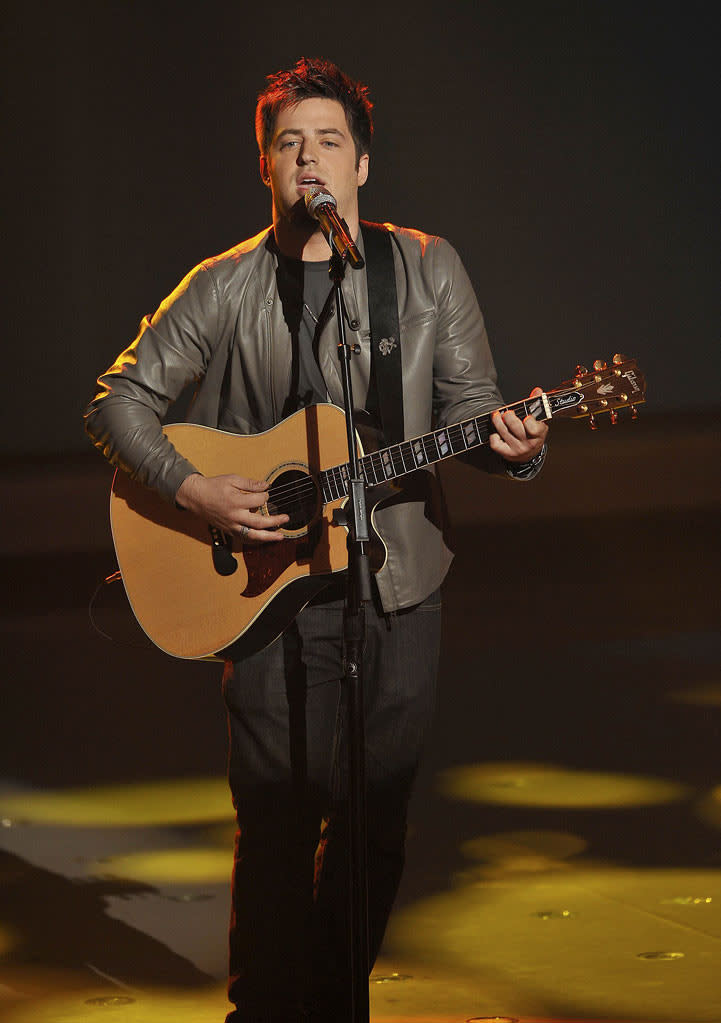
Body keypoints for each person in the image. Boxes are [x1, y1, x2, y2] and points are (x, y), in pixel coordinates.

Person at [85, 57, 548, 1023]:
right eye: (289, 143)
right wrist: (194, 487)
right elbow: (118, 400)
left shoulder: (423, 268)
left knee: (376, 821)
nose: (309, 161)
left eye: (328, 142)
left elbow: (471, 412)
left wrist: (514, 444)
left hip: (398, 586)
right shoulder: (220, 288)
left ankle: (330, 1006)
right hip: (260, 592)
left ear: (361, 165)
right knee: (277, 821)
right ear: (264, 164)